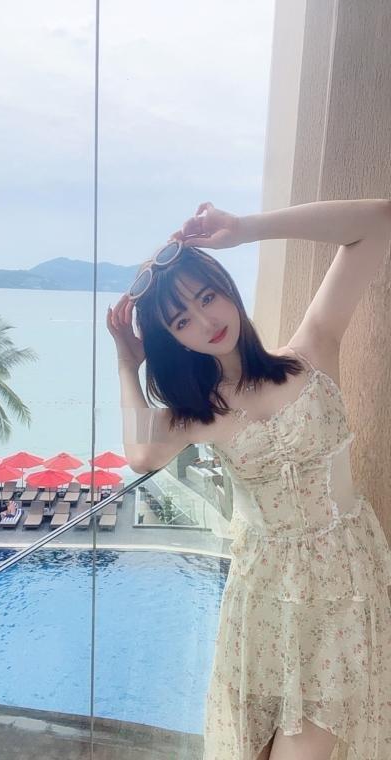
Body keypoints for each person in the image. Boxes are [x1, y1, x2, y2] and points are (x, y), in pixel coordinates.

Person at [106, 199, 391, 760]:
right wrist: (125, 363)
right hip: (262, 602)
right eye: (181, 321)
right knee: (251, 749)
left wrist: (246, 229)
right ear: (173, 340)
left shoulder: (311, 351)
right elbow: (140, 454)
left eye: (205, 297)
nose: (204, 321)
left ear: (226, 288)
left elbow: (377, 223)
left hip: (344, 591)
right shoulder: (198, 414)